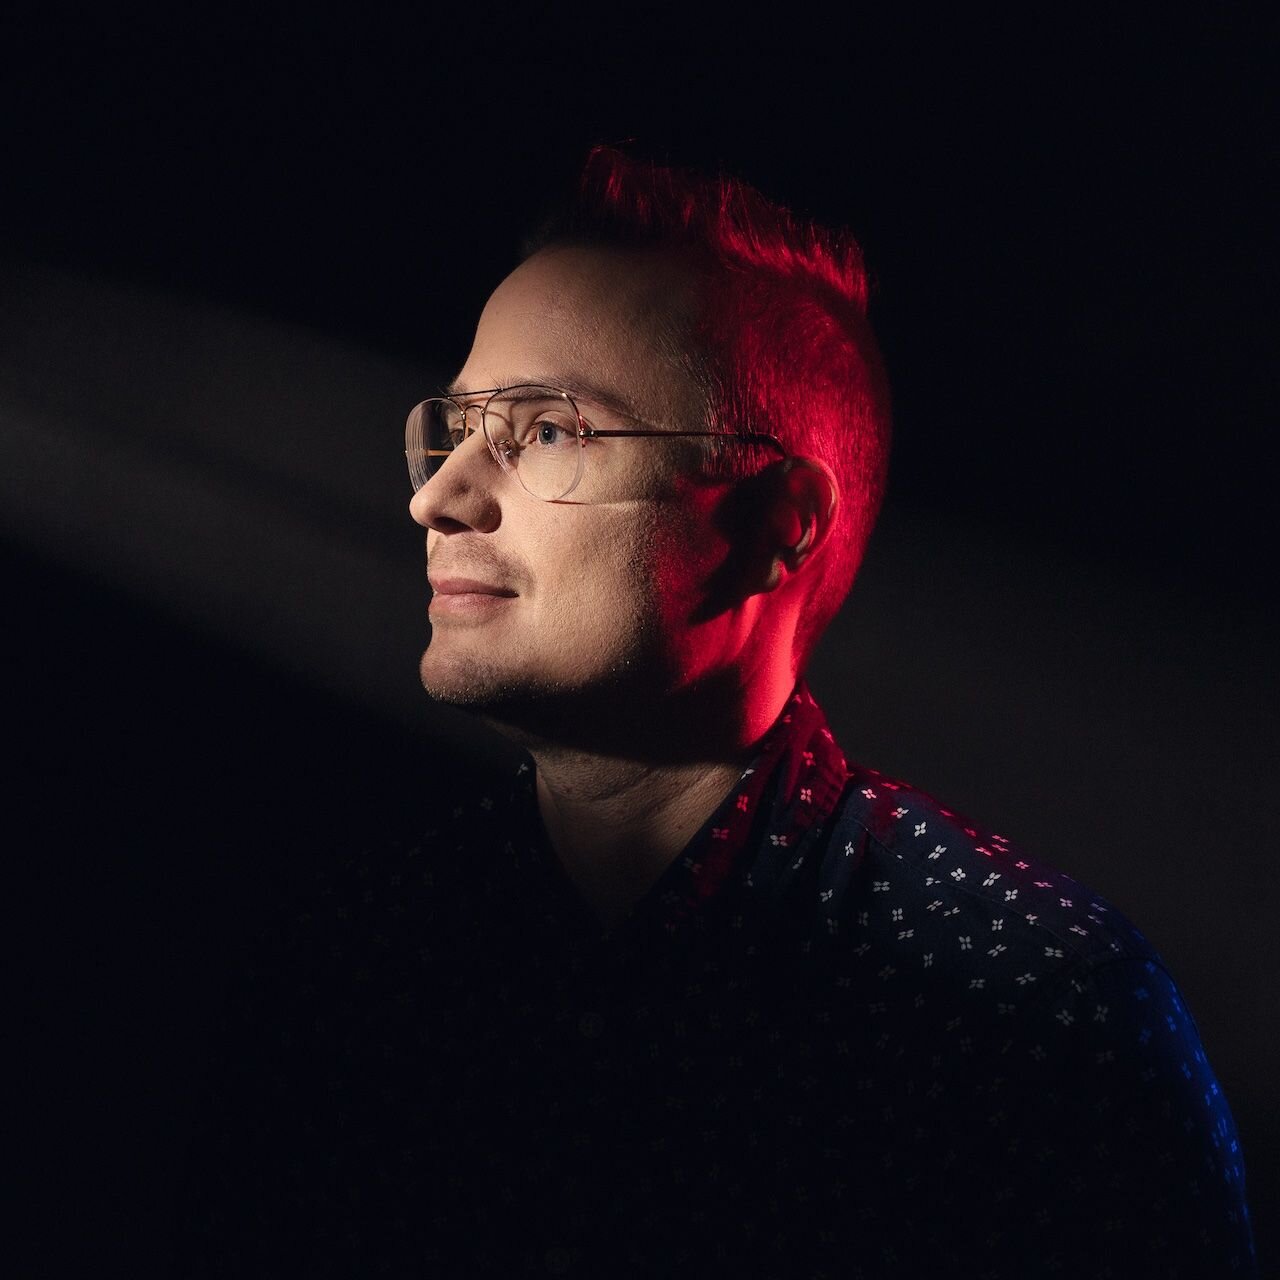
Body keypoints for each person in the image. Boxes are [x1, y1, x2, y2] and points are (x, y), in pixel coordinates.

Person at [170, 146, 1258, 1278]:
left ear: (778, 524)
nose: (437, 498)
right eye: (455, 427)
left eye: (547, 432)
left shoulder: (1032, 1008)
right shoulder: (354, 970)